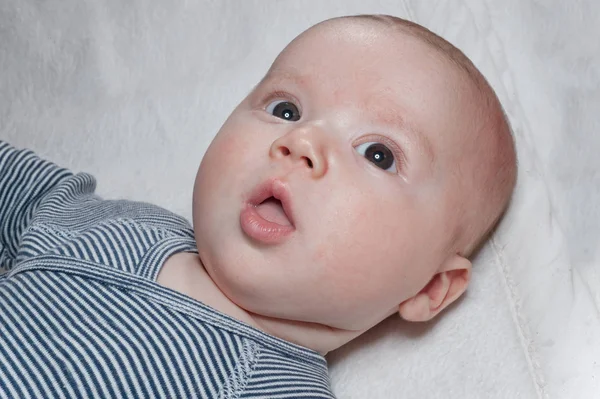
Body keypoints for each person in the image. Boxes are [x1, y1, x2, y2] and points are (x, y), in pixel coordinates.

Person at [0, 14, 517, 398]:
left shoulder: (274, 388)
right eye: (285, 108)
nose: (303, 140)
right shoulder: (109, 220)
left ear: (429, 287)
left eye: (378, 154)